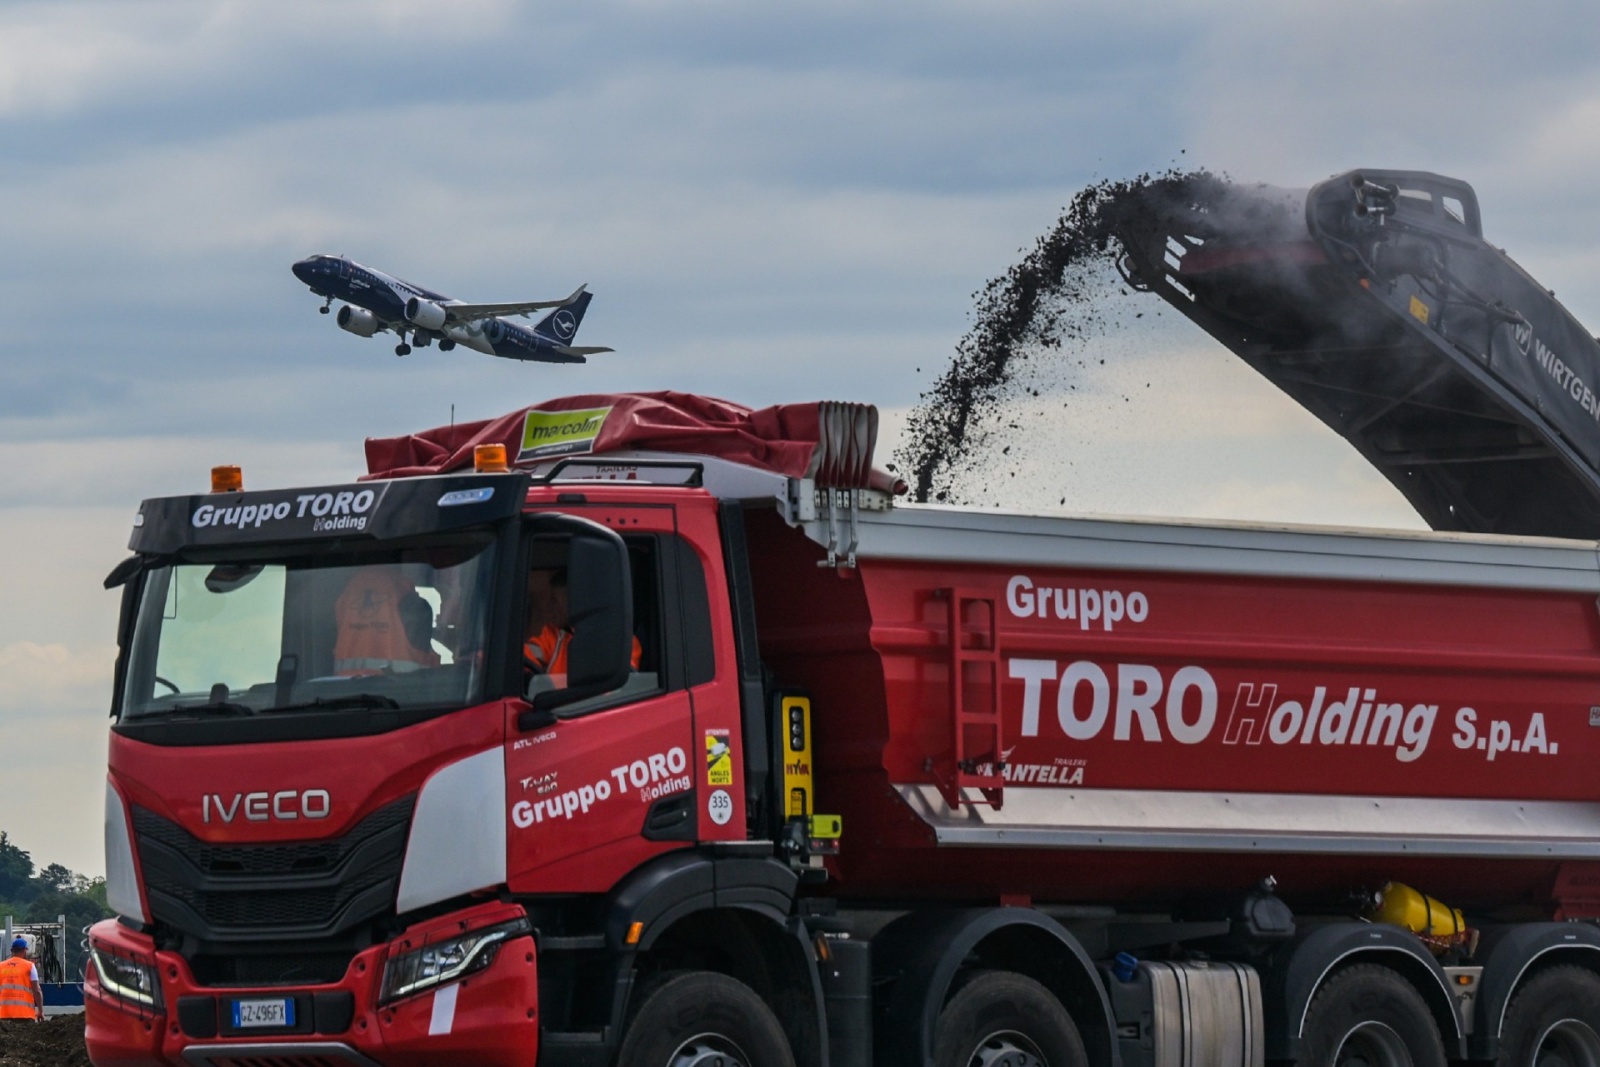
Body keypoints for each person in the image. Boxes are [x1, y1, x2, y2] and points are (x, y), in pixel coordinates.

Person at [524, 568, 640, 687]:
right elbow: (526, 661)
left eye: (554, 600)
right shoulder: (551, 634)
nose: (549, 606)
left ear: (576, 603)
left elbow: (619, 688)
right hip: (551, 698)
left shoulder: (622, 640)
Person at [0, 938, 42, 1022]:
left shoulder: (1, 966)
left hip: (3, 1015)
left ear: (12, 951)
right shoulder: (30, 966)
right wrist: (40, 1011)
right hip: (25, 1015)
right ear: (24, 950)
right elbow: (37, 990)